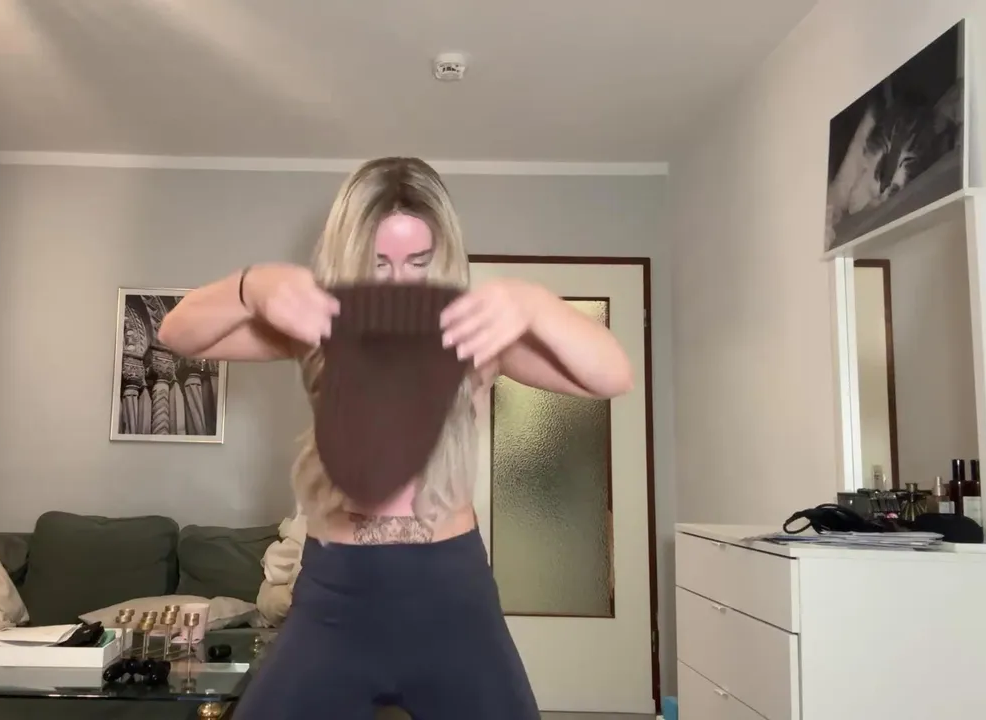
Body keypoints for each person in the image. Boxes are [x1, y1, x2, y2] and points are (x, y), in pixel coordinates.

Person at [158, 157, 634, 719]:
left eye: (417, 262)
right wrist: (251, 286)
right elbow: (178, 333)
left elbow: (612, 375)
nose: (398, 281)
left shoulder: (472, 335)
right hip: (334, 597)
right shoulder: (321, 329)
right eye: (378, 262)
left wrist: (530, 302)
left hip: (451, 601)